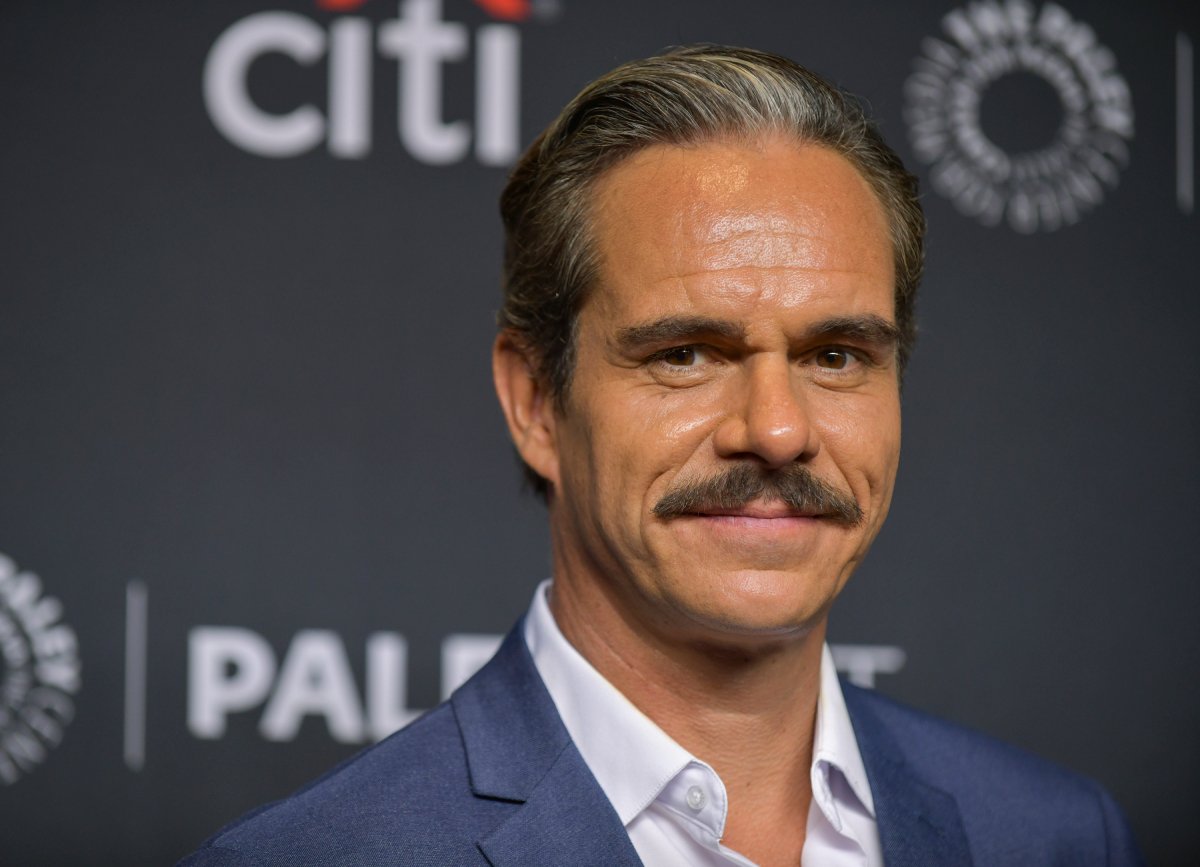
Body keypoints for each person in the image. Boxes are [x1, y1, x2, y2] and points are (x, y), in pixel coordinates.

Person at [181, 44, 1143, 867]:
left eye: (837, 355)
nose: (775, 429)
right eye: (686, 353)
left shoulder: (1058, 835)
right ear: (535, 401)